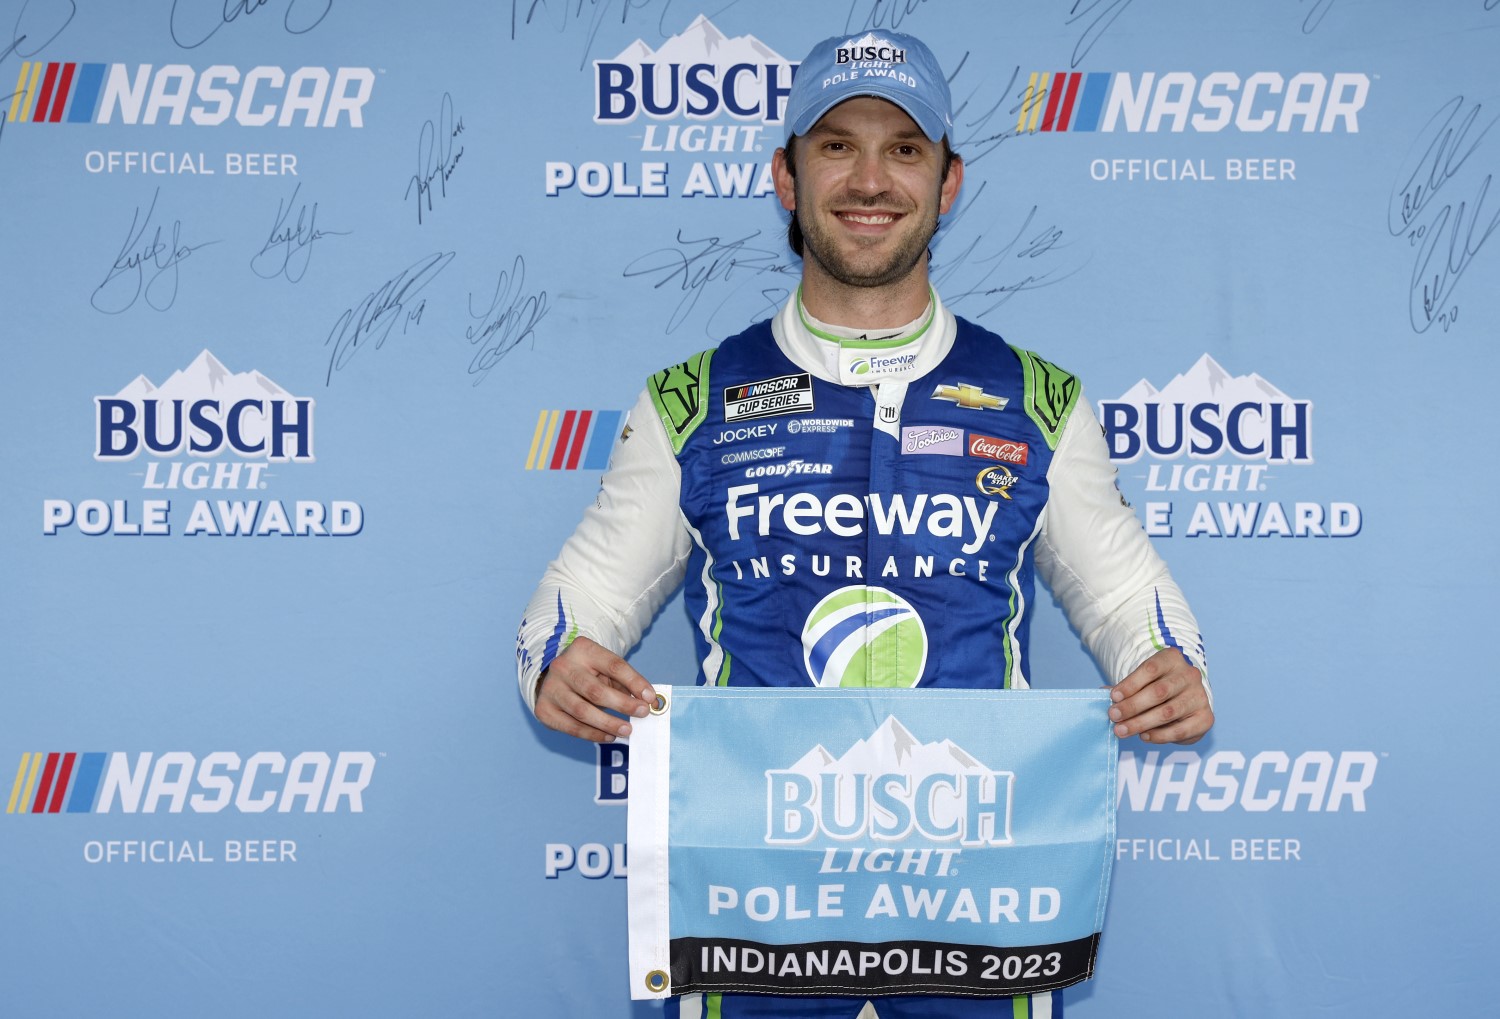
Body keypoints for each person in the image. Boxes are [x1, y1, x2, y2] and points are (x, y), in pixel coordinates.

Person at [517, 28, 1213, 1019]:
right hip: (753, 906)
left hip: (974, 901)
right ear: (786, 177)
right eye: (836, 145)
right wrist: (557, 660)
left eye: (905, 148)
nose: (870, 178)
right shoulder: (691, 399)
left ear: (949, 180)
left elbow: (1127, 599)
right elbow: (573, 606)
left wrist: (1170, 663)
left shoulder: (1038, 398)